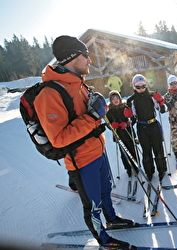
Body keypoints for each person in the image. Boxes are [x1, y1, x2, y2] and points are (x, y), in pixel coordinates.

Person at [34, 35, 138, 249]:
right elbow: (59, 138)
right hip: (81, 160)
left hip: (98, 151)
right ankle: (104, 240)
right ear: (73, 57)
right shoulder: (50, 93)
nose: (90, 61)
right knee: (92, 204)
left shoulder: (79, 84)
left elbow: (90, 117)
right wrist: (92, 116)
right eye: (86, 55)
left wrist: (99, 109)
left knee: (106, 190)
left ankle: (112, 218)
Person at [125, 74, 168, 181]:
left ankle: (162, 169)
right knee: (146, 151)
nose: (141, 89)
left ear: (146, 85)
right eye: (138, 87)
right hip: (141, 126)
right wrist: (128, 117)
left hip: (153, 125)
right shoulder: (131, 100)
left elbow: (163, 110)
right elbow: (133, 119)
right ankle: (149, 172)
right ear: (134, 86)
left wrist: (161, 102)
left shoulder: (152, 95)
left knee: (158, 148)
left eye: (143, 86)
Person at [106, 90, 139, 178]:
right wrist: (112, 126)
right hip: (119, 135)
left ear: (120, 98)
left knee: (132, 150)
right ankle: (128, 168)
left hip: (128, 133)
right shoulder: (109, 112)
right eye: (113, 98)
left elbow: (133, 119)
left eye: (117, 97)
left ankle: (136, 166)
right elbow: (108, 124)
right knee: (123, 152)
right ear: (110, 100)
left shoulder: (125, 107)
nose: (115, 100)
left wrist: (128, 123)